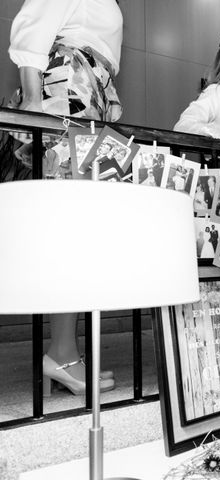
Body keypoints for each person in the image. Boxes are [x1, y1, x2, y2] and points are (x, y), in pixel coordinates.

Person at [9, 0, 122, 395]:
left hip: (83, 91)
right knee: (68, 227)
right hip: (66, 90)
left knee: (74, 228)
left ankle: (63, 352)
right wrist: (32, 100)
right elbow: (34, 21)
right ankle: (61, 355)